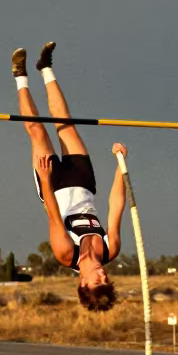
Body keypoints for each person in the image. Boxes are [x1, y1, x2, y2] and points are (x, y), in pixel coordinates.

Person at [12, 42, 127, 311]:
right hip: (84, 182)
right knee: (65, 124)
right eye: (107, 280)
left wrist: (43, 177)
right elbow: (116, 207)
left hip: (54, 186)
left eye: (99, 282)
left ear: (84, 284)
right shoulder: (111, 250)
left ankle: (20, 75)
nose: (104, 276)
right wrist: (121, 166)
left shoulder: (66, 254)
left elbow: (52, 213)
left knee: (37, 131)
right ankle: (46, 68)